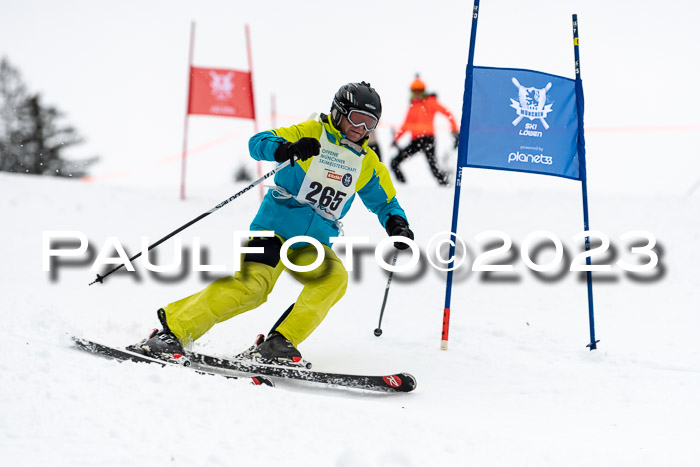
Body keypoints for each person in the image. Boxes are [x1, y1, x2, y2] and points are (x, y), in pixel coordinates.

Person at [131, 82, 414, 365]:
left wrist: (397, 224)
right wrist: (287, 149)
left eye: (370, 123)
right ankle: (172, 331)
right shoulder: (312, 132)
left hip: (312, 244)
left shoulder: (367, 162)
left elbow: (385, 202)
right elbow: (258, 143)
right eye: (356, 118)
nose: (361, 129)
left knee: (334, 278)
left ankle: (278, 343)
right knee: (252, 288)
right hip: (273, 231)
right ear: (338, 112)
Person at [390, 75, 460, 186]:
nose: (417, 94)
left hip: (428, 139)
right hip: (416, 141)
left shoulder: (429, 102)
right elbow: (405, 126)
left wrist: (455, 130)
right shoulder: (412, 107)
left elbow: (448, 113)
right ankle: (403, 188)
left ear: (423, 92)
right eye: (415, 91)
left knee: (434, 168)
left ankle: (446, 185)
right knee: (394, 162)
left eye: (419, 91)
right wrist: (396, 139)